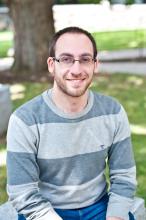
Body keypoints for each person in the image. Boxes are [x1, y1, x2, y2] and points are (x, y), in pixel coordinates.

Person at [7, 26, 137, 220]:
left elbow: (124, 177)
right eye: (66, 59)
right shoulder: (25, 120)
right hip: (45, 211)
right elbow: (22, 192)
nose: (76, 70)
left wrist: (115, 216)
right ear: (52, 65)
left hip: (99, 207)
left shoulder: (113, 112)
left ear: (95, 64)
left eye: (85, 59)